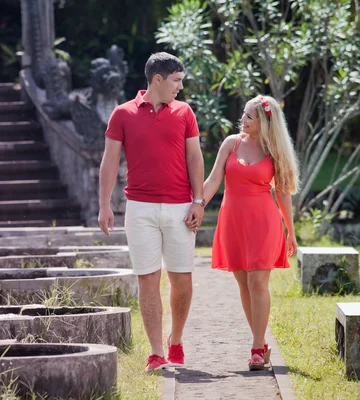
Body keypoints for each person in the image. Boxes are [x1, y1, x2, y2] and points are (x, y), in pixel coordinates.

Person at [98, 52, 205, 373]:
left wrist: (198, 200)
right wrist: (104, 204)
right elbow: (109, 161)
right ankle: (157, 352)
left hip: (180, 208)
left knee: (182, 279)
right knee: (148, 280)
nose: (180, 88)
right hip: (139, 209)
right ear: (157, 80)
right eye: (176, 81)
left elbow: (195, 158)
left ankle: (176, 340)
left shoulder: (185, 112)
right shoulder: (122, 113)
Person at [195, 94, 299, 370]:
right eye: (243, 114)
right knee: (243, 284)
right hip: (233, 221)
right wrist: (198, 204)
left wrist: (291, 231)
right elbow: (214, 177)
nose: (242, 119)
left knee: (258, 283)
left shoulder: (274, 150)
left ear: (265, 121)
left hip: (264, 222)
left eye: (249, 116)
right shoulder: (232, 144)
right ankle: (261, 342)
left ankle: (255, 348)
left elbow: (284, 192)